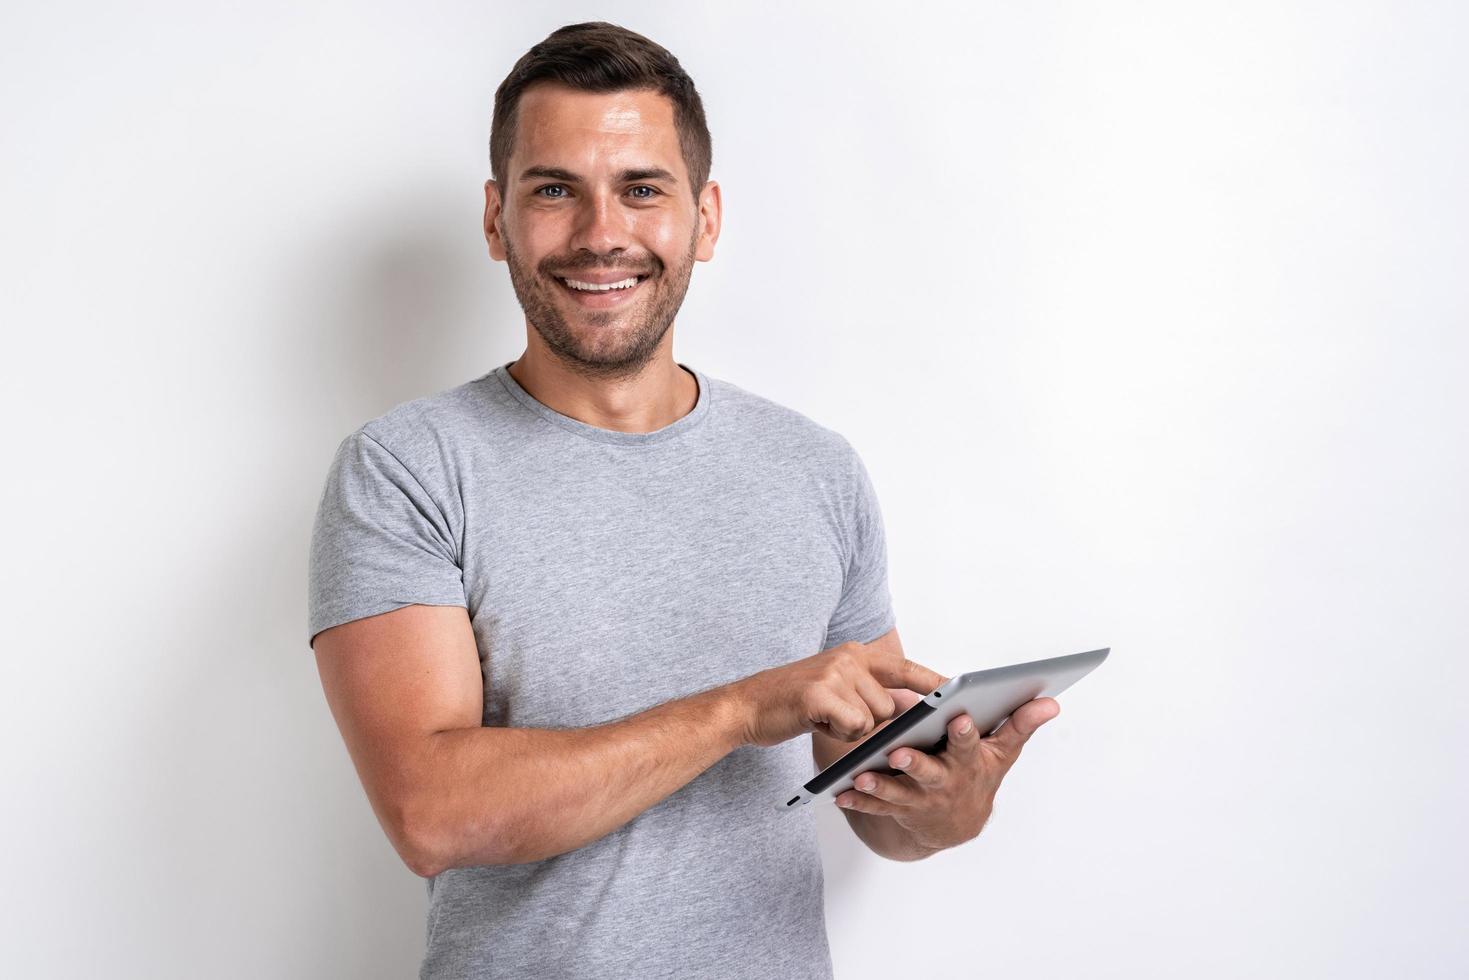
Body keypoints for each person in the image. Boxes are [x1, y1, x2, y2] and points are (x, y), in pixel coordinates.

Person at [307, 20, 1059, 980]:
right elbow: (431, 813)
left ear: (703, 219)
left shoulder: (814, 470)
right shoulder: (407, 468)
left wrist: (948, 807)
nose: (600, 234)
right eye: (553, 191)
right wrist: (744, 709)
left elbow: (882, 811)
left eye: (641, 189)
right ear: (495, 220)